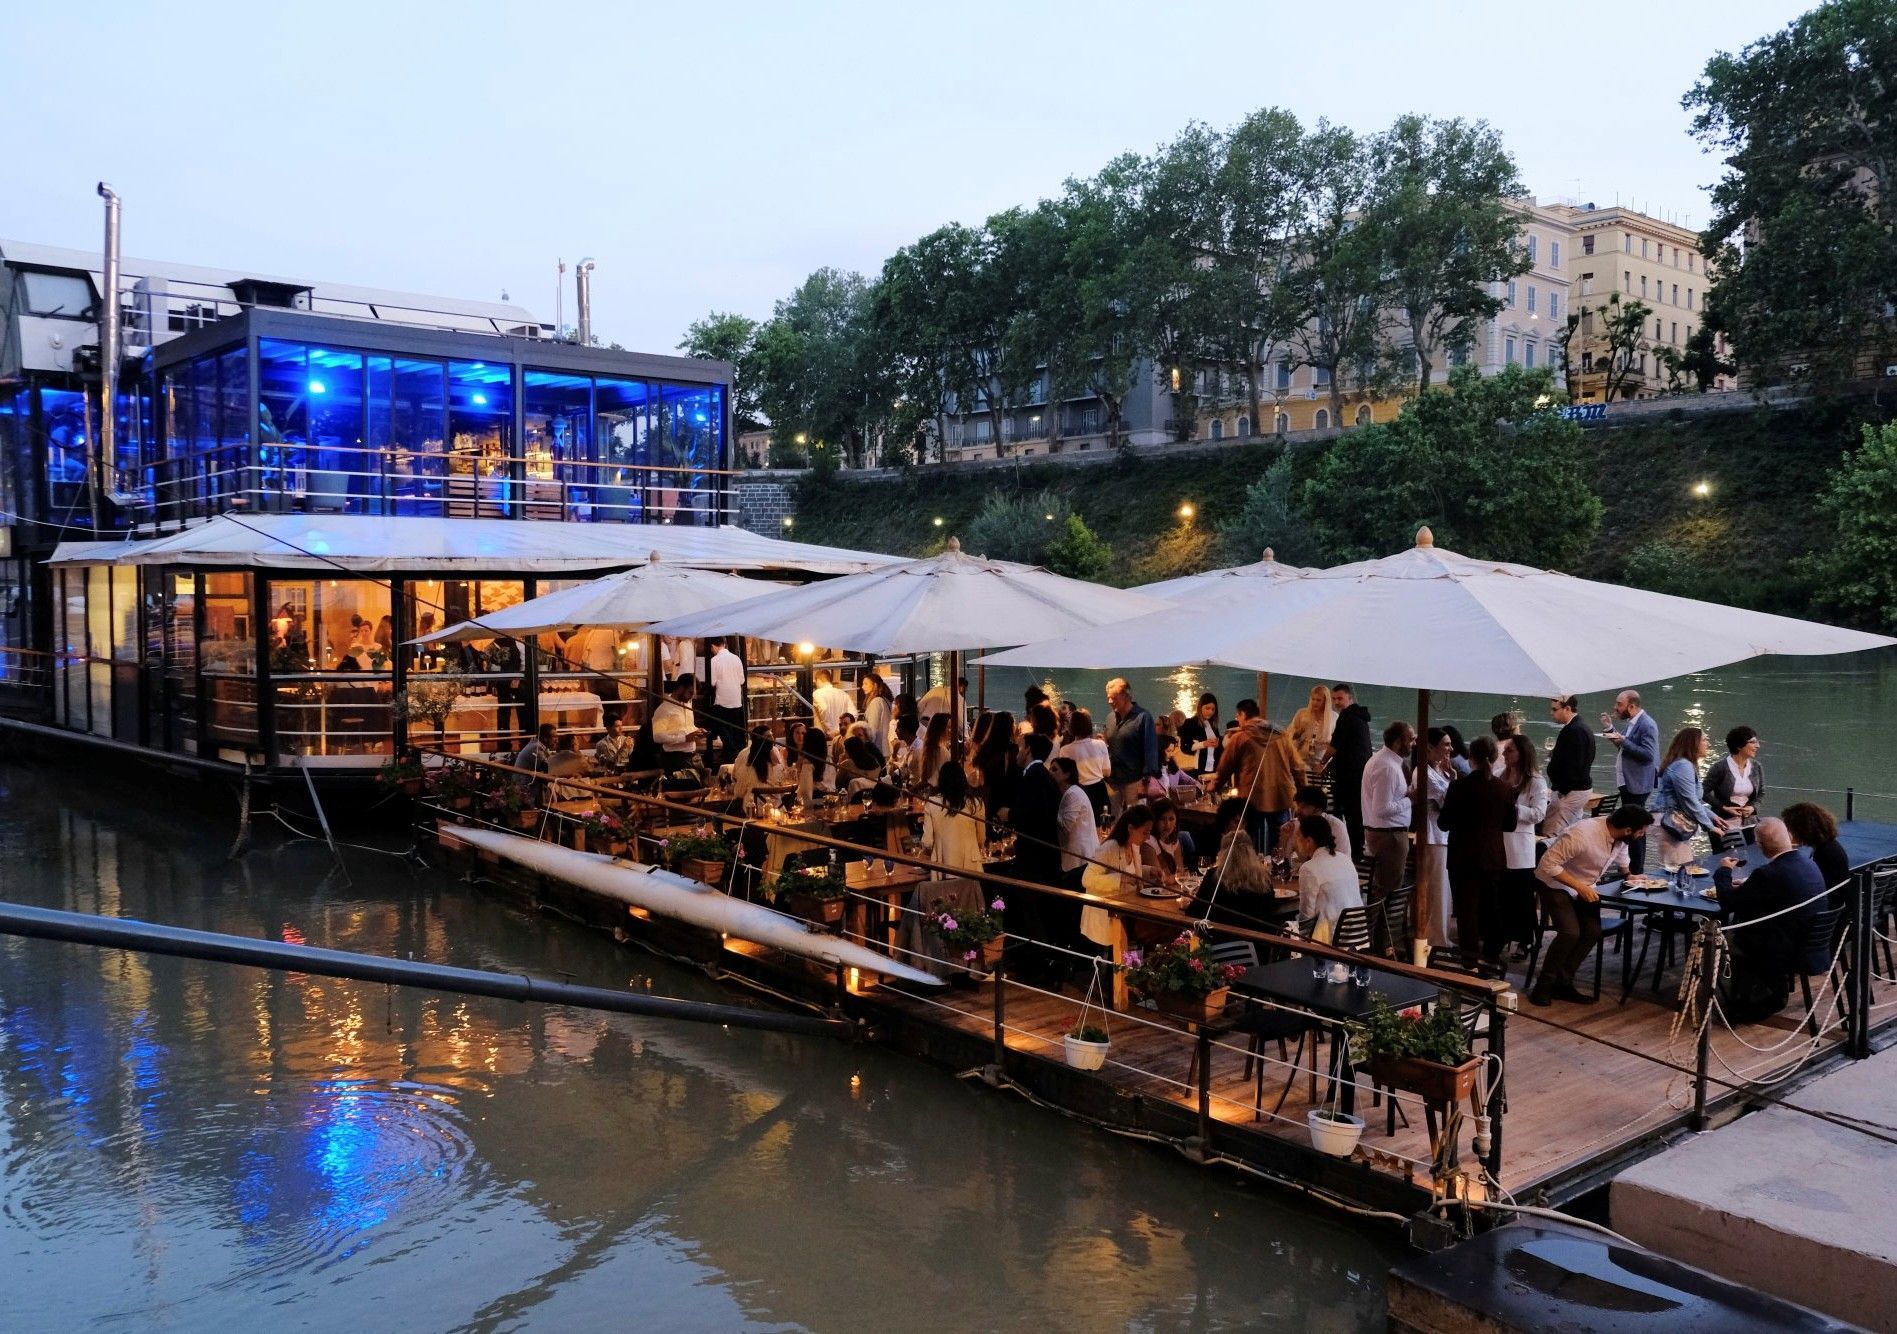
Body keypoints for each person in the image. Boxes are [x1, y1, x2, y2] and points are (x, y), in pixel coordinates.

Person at [1532, 806, 1653, 1005]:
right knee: (1570, 932)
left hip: (1585, 884)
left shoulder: (1620, 836)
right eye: (1641, 831)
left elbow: (1621, 855)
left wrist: (1629, 875)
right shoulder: (1582, 833)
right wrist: (1579, 887)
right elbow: (1547, 864)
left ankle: (1563, 983)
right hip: (1554, 882)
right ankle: (1543, 986)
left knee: (1592, 931)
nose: (1642, 835)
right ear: (1628, 830)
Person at [1715, 816, 1826, 1023]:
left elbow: (1728, 903)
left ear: (1761, 846)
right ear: (1789, 838)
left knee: (1720, 940)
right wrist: (1749, 887)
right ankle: (1757, 994)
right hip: (1812, 942)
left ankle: (1738, 1003)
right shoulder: (1809, 864)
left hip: (1783, 948)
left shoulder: (1768, 874)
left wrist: (1723, 872)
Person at [1438, 735, 1518, 972]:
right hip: (1493, 856)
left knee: (1466, 912)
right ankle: (1492, 956)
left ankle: (1469, 961)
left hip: (1463, 857)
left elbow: (1444, 823)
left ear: (1470, 757)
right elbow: (1510, 825)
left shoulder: (1459, 787)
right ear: (1494, 758)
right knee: (1491, 908)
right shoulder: (1504, 788)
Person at [1214, 699, 1301, 853]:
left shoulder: (1240, 737)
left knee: (1251, 842)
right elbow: (1298, 766)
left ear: (1242, 714)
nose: (1237, 720)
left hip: (1252, 798)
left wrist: (1213, 787)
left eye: (1238, 716)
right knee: (1282, 840)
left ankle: (1254, 872)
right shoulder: (1281, 735)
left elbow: (1224, 767)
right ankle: (1279, 871)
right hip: (1281, 796)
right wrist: (1302, 793)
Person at [1499, 734, 1551, 963]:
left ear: (1521, 753)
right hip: (1499, 843)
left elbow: (1539, 813)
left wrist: (1513, 809)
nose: (1504, 754)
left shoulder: (1536, 781)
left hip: (1520, 846)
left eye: (1509, 751)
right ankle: (1502, 934)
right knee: (1503, 894)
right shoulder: (1501, 776)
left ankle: (1524, 939)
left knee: (1521, 896)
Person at [1651, 727, 1731, 874]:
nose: (1708, 744)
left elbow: (1693, 800)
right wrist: (1710, 827)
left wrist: (1713, 817)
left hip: (1676, 824)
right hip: (1670, 824)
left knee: (1682, 870)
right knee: (1676, 872)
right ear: (1693, 743)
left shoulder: (1687, 765)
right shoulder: (1683, 766)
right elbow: (1689, 801)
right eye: (1705, 740)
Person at [1081, 806, 1157, 950]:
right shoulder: (1109, 848)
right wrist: (1119, 879)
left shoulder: (1134, 846)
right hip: (1106, 916)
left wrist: (1149, 871)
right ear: (1130, 828)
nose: (1147, 838)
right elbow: (1087, 879)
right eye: (1144, 833)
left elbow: (1132, 874)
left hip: (1128, 913)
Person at [1360, 720, 1415, 910]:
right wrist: (1410, 800)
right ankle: (1381, 936)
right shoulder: (1387, 767)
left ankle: (1380, 934)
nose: (1413, 743)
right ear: (1398, 742)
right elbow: (1382, 808)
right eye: (1411, 739)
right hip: (1389, 835)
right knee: (1388, 891)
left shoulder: (1383, 761)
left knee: (1384, 889)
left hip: (1385, 833)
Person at [1603, 689, 1660, 873]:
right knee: (1632, 826)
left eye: (1619, 704)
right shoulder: (1632, 722)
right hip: (1628, 782)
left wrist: (1624, 741)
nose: (1616, 708)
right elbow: (1624, 745)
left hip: (1637, 784)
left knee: (1636, 828)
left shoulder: (1647, 725)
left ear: (1632, 706)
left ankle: (1636, 870)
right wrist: (1609, 730)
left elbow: (1649, 756)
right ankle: (1628, 867)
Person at [1411, 730, 1455, 952]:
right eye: (1446, 745)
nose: (1450, 749)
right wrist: (1453, 780)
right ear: (1429, 747)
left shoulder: (1440, 772)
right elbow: (1449, 801)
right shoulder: (1423, 772)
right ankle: (1434, 938)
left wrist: (1451, 777)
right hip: (1432, 835)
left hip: (1442, 836)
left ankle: (1440, 935)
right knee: (1436, 889)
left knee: (1443, 889)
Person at [1294, 814, 1364, 944]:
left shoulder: (1309, 868)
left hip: (1328, 940)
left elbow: (1306, 917)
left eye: (1298, 837)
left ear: (1308, 841)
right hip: (1356, 933)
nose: (1296, 842)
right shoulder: (1345, 859)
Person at [1328, 684, 1374, 859]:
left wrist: (1321, 763)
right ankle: (1357, 849)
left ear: (1350, 698)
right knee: (1356, 813)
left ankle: (1348, 851)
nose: (1336, 702)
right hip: (1361, 772)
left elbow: (1334, 746)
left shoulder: (1347, 717)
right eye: (1334, 699)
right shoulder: (1360, 717)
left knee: (1347, 813)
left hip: (1349, 774)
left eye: (1340, 698)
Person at [1542, 695, 1598, 837]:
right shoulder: (1579, 727)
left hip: (1570, 792)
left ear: (1567, 709)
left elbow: (1576, 765)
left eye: (1555, 709)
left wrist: (1562, 790)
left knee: (1553, 835)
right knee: (1569, 833)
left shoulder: (1575, 730)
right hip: (1576, 789)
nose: (1551, 713)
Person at [919, 761, 986, 875]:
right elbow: (981, 838)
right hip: (971, 867)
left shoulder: (932, 804)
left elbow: (927, 842)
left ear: (941, 781)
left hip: (943, 866)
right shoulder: (976, 804)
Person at [1102, 677, 1158, 815]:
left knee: (1135, 820)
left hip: (1134, 781)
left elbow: (1150, 749)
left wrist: (1145, 781)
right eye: (1108, 697)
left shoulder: (1143, 717)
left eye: (1113, 698)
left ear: (1126, 696)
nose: (1110, 701)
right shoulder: (1109, 719)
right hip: (1112, 781)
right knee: (1113, 820)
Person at [1781, 802, 1851, 905]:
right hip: (1836, 908)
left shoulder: (1824, 854)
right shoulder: (1830, 846)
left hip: (1825, 911)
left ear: (1802, 830)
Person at [1703, 726, 1765, 842]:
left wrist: (1753, 807)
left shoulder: (1757, 767)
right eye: (1753, 742)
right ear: (1739, 746)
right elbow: (1703, 792)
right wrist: (1724, 807)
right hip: (1723, 824)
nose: (1757, 746)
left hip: (1749, 824)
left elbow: (1761, 793)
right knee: (1726, 858)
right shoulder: (1719, 768)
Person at [1050, 757, 1100, 891]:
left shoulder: (1072, 793)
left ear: (1067, 774)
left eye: (1055, 769)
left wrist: (1049, 811)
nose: (1050, 772)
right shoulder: (1069, 793)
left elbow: (1064, 828)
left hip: (1080, 858)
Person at [1057, 708, 1111, 818]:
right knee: (1101, 825)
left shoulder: (1065, 750)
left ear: (1072, 726)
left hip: (1077, 792)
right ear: (1089, 725)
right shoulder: (1100, 744)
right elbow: (1107, 772)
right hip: (1099, 791)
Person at [1277, 784, 1350, 862]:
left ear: (1318, 810)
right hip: (1306, 872)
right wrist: (1284, 839)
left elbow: (1344, 861)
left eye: (1304, 807)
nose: (1298, 810)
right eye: (1298, 805)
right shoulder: (1294, 826)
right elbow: (1281, 861)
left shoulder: (1336, 826)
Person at [970, 710, 1020, 823]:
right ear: (1010, 728)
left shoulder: (986, 750)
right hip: (1009, 799)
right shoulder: (1013, 750)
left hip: (989, 799)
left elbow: (981, 779)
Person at [651, 675, 706, 773]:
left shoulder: (688, 704)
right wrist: (685, 738)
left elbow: (687, 727)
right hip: (675, 759)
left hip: (692, 756)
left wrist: (697, 731)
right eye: (690, 692)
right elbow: (657, 736)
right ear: (680, 688)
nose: (691, 697)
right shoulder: (663, 709)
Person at [706, 637, 747, 755]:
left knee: (721, 726)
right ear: (724, 644)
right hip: (736, 700)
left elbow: (712, 682)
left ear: (713, 646)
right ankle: (737, 752)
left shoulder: (714, 661)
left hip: (722, 700)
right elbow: (742, 680)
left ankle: (731, 751)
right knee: (734, 729)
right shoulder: (736, 659)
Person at [734, 725, 791, 802]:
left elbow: (739, 793)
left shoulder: (747, 768)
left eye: (771, 735)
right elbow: (783, 791)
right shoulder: (778, 765)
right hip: (778, 809)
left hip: (754, 809)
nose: (772, 738)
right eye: (769, 736)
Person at [1286, 684, 1335, 773]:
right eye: (1313, 699)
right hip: (1302, 758)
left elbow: (1337, 742)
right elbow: (1288, 736)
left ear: (1325, 701)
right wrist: (1300, 731)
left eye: (1319, 700)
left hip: (1321, 760)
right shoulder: (1302, 713)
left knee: (1318, 784)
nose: (1315, 702)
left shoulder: (1334, 717)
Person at [1146, 798, 1198, 879]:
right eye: (1162, 819)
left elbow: (1180, 871)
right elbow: (1160, 879)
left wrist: (1178, 877)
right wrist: (1178, 877)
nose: (1167, 824)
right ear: (1154, 820)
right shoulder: (1149, 841)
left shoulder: (1174, 840)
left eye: (1171, 819)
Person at [1174, 693, 1222, 778]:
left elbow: (1217, 749)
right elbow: (1185, 747)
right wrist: (1204, 744)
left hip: (1213, 768)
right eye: (1207, 708)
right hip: (1197, 769)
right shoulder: (1190, 723)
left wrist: (1218, 744)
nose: (1210, 712)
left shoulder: (1213, 726)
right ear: (1200, 707)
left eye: (1213, 709)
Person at [513, 722, 557, 795]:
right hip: (525, 788)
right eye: (555, 737)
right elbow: (549, 767)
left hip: (528, 783)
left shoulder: (537, 744)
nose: (557, 740)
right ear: (545, 738)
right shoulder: (536, 747)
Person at [837, 723, 886, 788]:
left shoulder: (872, 752)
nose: (856, 739)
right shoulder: (848, 751)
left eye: (860, 735)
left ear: (867, 737)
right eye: (853, 736)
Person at [915, 714, 952, 790]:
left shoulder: (928, 748)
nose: (950, 730)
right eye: (948, 727)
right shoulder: (942, 752)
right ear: (940, 730)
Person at [812, 669, 852, 739]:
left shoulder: (817, 693)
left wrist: (830, 731)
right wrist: (838, 730)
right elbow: (852, 714)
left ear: (818, 680)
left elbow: (823, 709)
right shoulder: (842, 693)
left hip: (825, 737)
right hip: (841, 734)